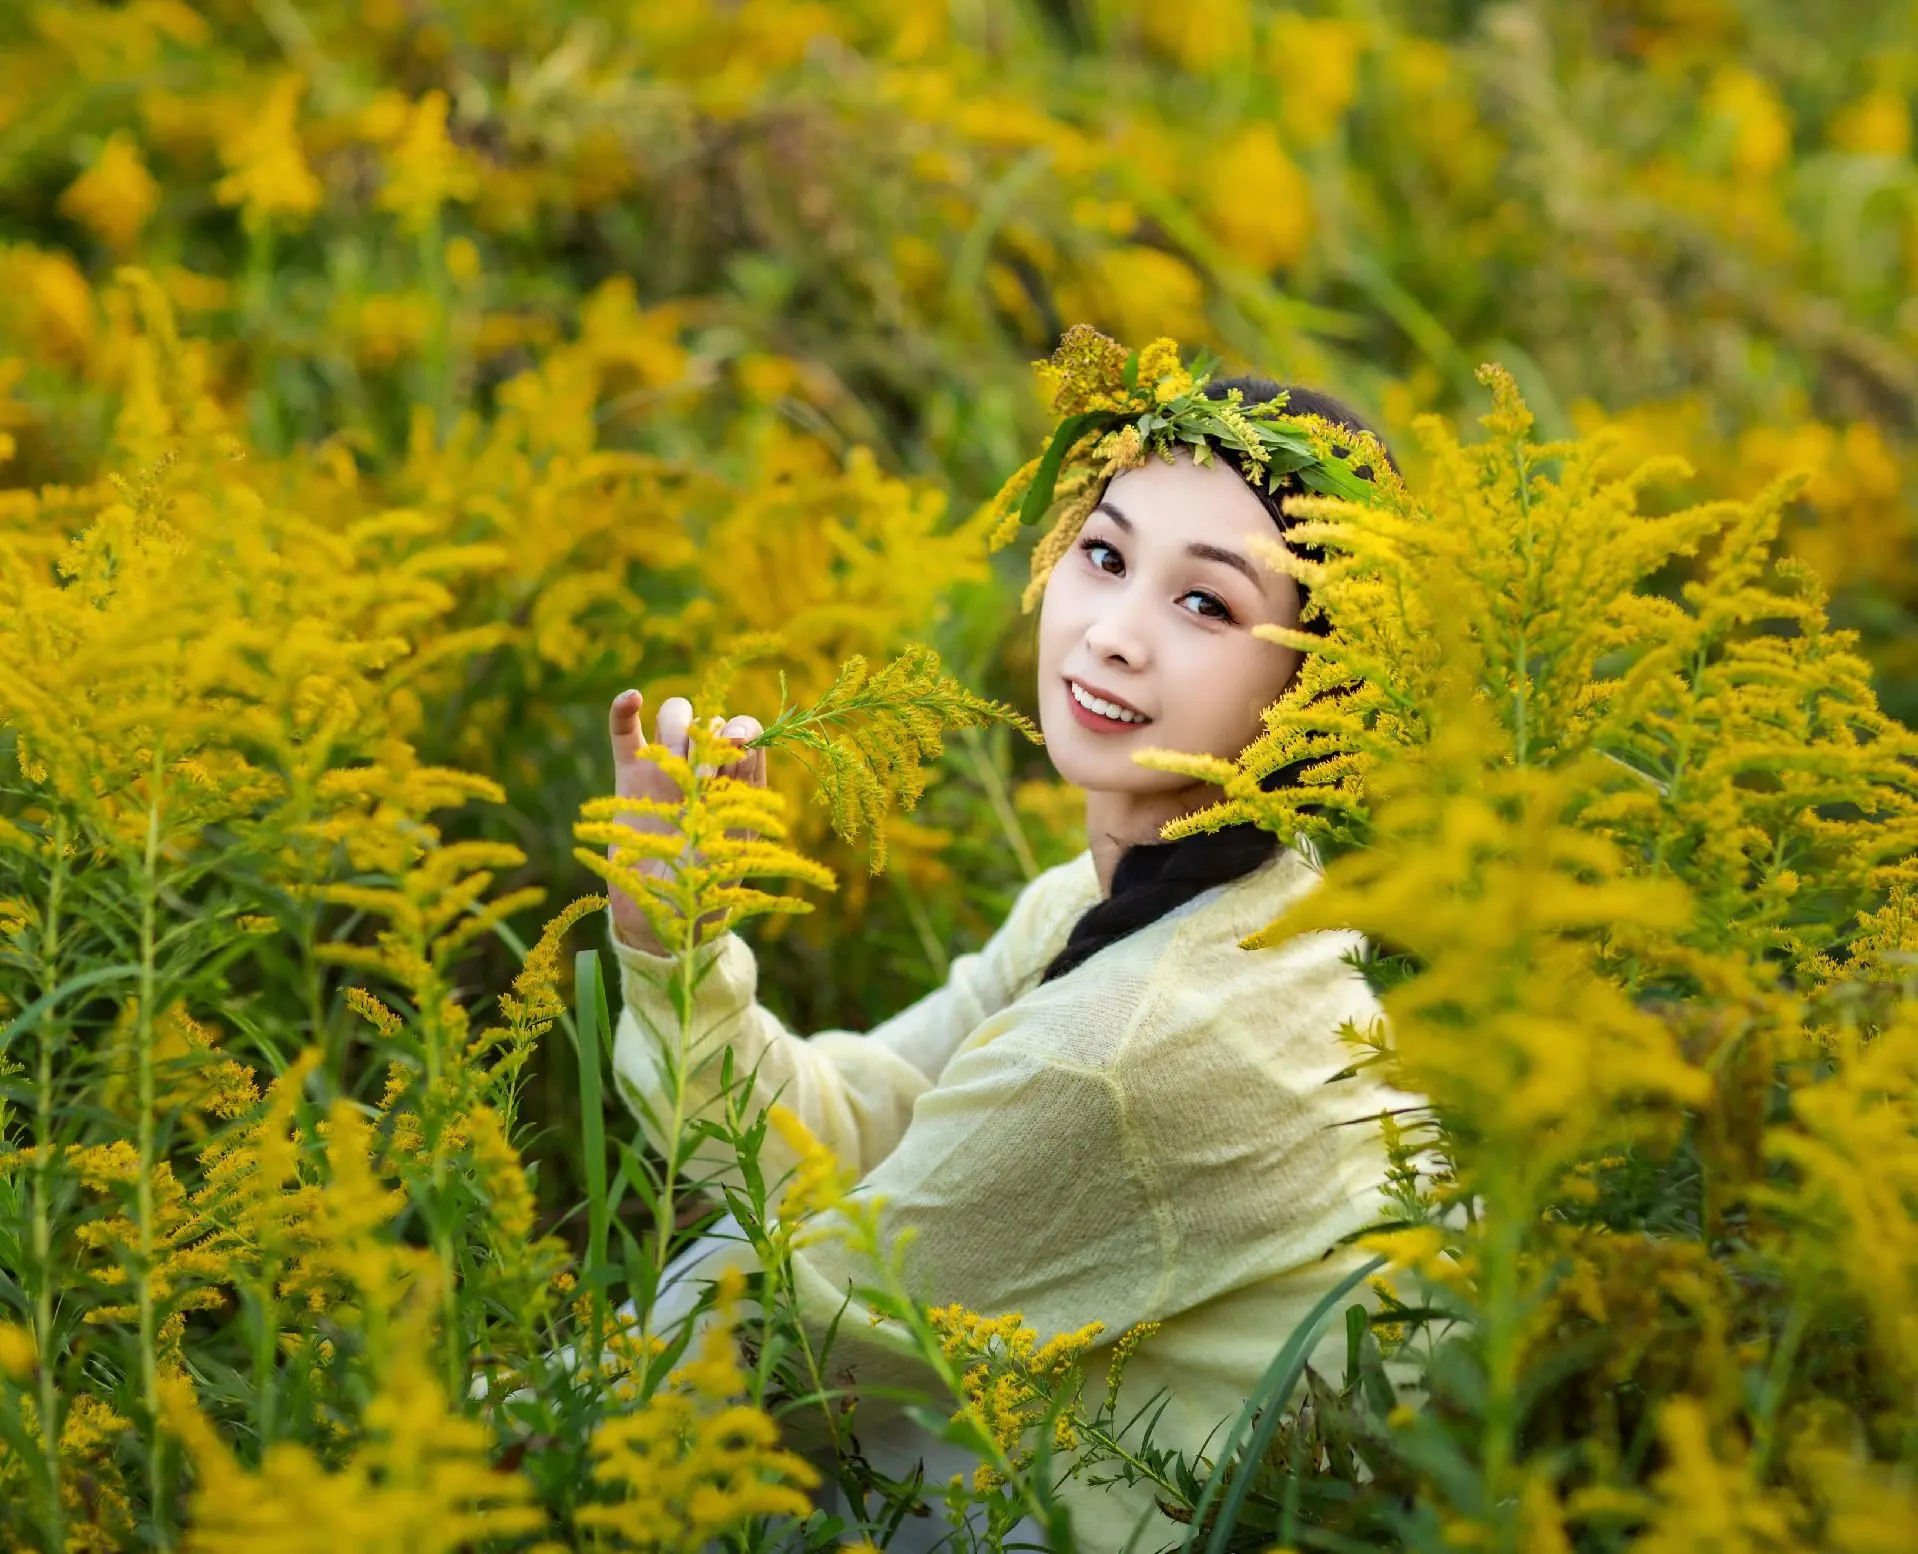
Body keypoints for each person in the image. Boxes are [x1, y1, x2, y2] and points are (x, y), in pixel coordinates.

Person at [600, 375, 1412, 1551]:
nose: (1113, 632)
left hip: (1131, 1517)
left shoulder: (1128, 1047)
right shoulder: (1153, 900)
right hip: (1131, 1471)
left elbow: (799, 1312)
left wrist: (500, 1443)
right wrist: (670, 937)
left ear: (1313, 690)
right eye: (1102, 555)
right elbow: (861, 1121)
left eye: (1202, 602)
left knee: (722, 1309)